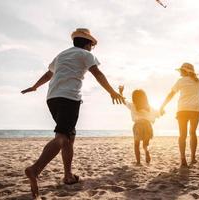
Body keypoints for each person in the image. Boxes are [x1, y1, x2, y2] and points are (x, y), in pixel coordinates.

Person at [21, 28, 124, 199]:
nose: (92, 48)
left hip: (52, 98)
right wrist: (112, 92)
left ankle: (68, 176)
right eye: (92, 45)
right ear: (87, 43)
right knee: (62, 136)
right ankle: (35, 169)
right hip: (69, 98)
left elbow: (49, 74)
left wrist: (35, 86)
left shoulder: (62, 55)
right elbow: (97, 73)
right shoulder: (86, 54)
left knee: (69, 136)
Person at [160, 63, 199, 167]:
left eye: (181, 70)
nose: (180, 72)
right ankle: (193, 158)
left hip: (182, 110)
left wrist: (162, 106)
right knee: (193, 133)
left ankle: (183, 159)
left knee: (182, 135)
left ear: (184, 71)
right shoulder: (198, 80)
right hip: (196, 109)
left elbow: (171, 94)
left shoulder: (180, 81)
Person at [118, 85, 163, 165]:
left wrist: (121, 92)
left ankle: (138, 162)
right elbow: (158, 114)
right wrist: (162, 112)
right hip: (148, 125)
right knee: (145, 144)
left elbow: (123, 101)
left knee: (136, 145)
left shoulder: (132, 105)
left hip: (138, 125)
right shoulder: (149, 107)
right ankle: (147, 152)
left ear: (134, 97)